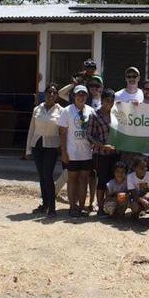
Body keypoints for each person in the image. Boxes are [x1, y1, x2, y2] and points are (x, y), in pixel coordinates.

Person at [58, 85, 96, 217]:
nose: (81, 97)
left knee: (84, 180)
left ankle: (81, 207)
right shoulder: (67, 111)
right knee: (72, 179)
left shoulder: (91, 111)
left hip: (86, 153)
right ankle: (72, 206)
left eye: (83, 95)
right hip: (72, 152)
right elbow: (62, 133)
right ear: (73, 96)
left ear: (87, 96)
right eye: (78, 94)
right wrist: (63, 151)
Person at [25, 83, 63, 217]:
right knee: (42, 176)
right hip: (37, 145)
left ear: (57, 96)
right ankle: (45, 204)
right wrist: (28, 150)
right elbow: (31, 129)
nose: (51, 95)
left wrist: (63, 149)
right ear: (45, 94)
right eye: (49, 92)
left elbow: (63, 132)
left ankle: (52, 207)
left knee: (47, 175)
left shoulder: (61, 111)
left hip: (51, 147)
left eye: (54, 93)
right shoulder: (37, 109)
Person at [88, 89, 118, 217]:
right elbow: (89, 136)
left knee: (113, 181)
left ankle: (109, 208)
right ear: (102, 100)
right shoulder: (94, 115)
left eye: (111, 101)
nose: (109, 104)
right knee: (102, 181)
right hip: (101, 154)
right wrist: (103, 146)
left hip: (115, 153)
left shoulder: (116, 115)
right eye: (106, 101)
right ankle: (100, 208)